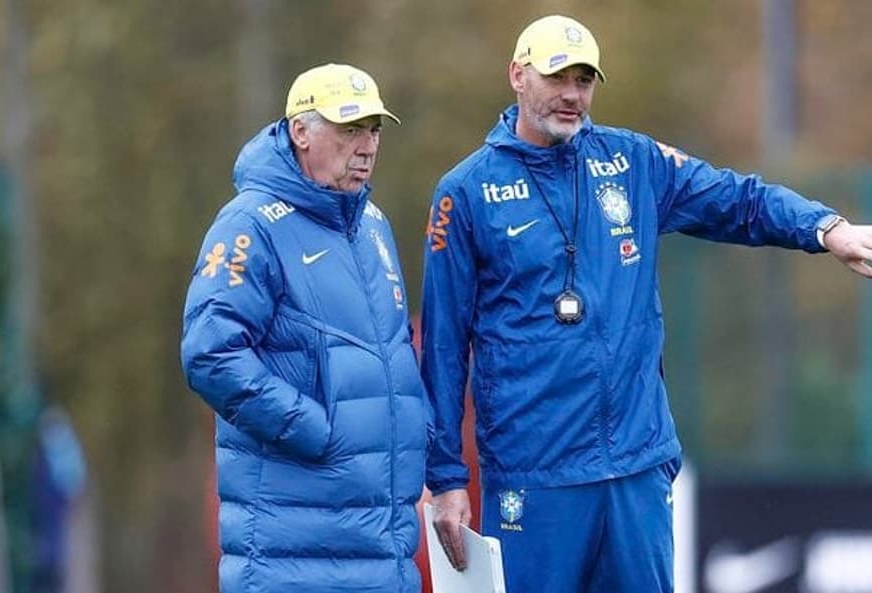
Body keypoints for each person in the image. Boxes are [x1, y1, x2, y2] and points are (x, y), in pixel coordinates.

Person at [422, 14, 872, 593]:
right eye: (557, 77)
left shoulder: (632, 163)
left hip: (635, 467)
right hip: (536, 474)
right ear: (517, 75)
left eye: (584, 81)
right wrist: (447, 476)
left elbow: (738, 200)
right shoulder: (466, 192)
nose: (571, 95)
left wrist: (824, 227)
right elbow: (442, 344)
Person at [181, 63, 429, 593]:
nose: (365, 146)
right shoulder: (248, 223)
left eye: (374, 130)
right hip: (290, 553)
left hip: (382, 548)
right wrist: (316, 430)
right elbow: (210, 354)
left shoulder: (374, 225)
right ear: (300, 131)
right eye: (348, 129)